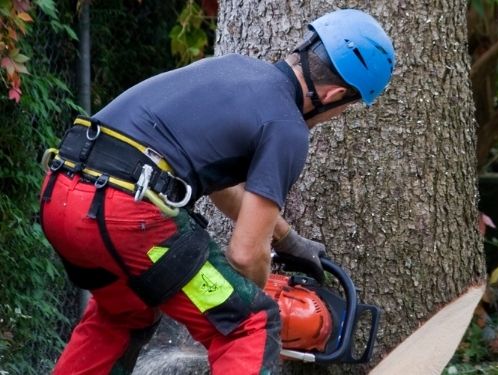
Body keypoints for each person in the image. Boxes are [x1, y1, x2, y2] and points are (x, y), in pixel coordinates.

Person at [39, 8, 394, 375]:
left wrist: (288, 240)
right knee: (250, 324)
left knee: (124, 314)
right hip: (126, 211)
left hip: (62, 192)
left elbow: (220, 185)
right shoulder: (288, 127)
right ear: (335, 94)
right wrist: (246, 299)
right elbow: (244, 254)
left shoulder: (231, 68)